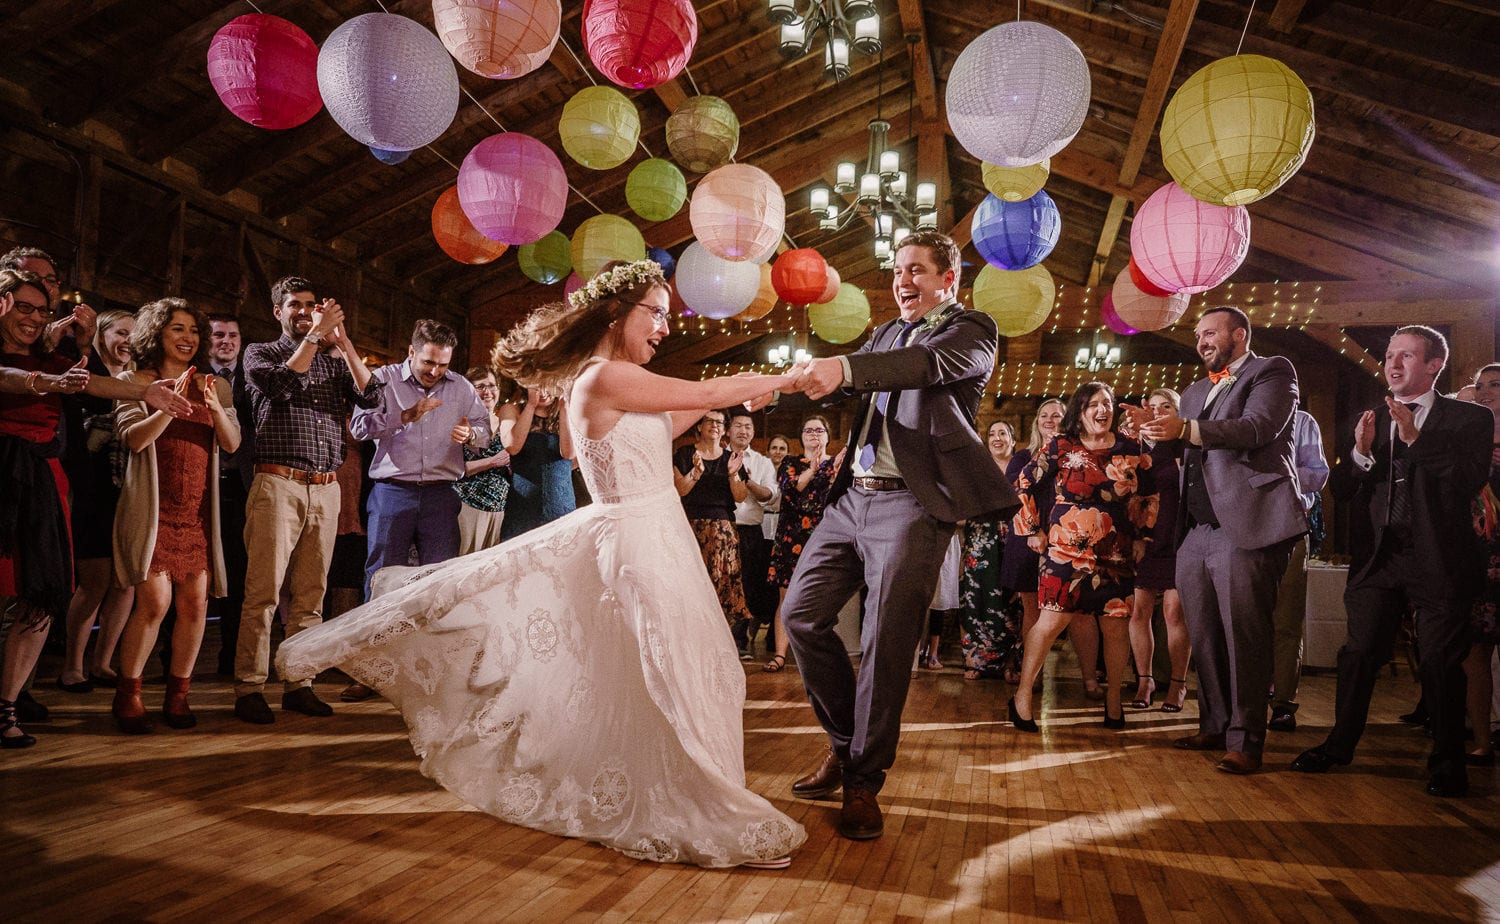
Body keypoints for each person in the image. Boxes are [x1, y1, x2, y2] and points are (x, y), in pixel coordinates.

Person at [275, 259, 806, 868]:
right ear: (615, 312)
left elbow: (678, 416)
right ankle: (698, 801)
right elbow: (708, 393)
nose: (664, 327)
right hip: (636, 545)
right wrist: (784, 379)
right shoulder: (604, 376)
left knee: (684, 669)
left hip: (660, 539)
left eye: (666, 315)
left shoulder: (627, 382)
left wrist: (753, 393)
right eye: (655, 313)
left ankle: (690, 786)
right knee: (673, 670)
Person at [779, 230, 1019, 841]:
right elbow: (863, 385)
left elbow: (924, 367)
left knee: (886, 646)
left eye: (916, 270)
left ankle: (862, 782)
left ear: (949, 281)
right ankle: (847, 744)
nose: (902, 280)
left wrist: (845, 366)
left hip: (912, 507)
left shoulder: (972, 331)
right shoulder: (885, 332)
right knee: (801, 616)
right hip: (850, 500)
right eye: (896, 271)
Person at [1293, 327, 1491, 797]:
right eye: (1389, 355)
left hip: (1439, 558)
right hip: (1380, 560)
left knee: (1441, 660)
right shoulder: (1372, 419)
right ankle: (1339, 745)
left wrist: (1414, 436)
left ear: (1433, 366)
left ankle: (1447, 763)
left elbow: (1467, 479)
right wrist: (1360, 451)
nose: (1393, 364)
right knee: (1358, 653)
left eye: (1407, 356)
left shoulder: (1470, 419)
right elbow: (1340, 491)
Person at [0, 269, 191, 748]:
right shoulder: (39, 365)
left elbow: (91, 386)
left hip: (43, 481)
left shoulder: (57, 355)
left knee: (41, 595)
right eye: (24, 307)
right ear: (1, 302)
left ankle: (7, 706)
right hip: (2, 471)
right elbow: (12, 378)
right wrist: (51, 381)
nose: (33, 318)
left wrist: (146, 392)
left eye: (41, 310)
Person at [1137, 305, 1307, 776]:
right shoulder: (1193, 390)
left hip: (1248, 524)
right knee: (1206, 637)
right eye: (1198, 335)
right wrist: (1152, 434)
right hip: (1196, 532)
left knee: (1245, 637)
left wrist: (1186, 429)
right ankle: (1213, 724)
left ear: (1239, 334)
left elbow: (1257, 429)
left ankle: (1247, 742)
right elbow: (1180, 449)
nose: (1202, 341)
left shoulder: (1271, 371)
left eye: (1210, 332)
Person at [234, 275, 381, 725]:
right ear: (278, 312)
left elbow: (371, 395)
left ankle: (300, 682)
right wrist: (317, 337)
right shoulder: (260, 353)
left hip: (326, 486)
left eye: (311, 304)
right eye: (295, 305)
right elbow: (280, 388)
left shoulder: (333, 360)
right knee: (262, 593)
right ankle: (250, 686)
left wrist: (345, 341)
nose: (304, 311)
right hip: (277, 482)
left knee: (311, 595)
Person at [110, 299, 241, 733]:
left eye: (193, 331)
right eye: (177, 330)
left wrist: (215, 407)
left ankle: (177, 695)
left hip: (197, 512)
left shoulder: (214, 384)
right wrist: (168, 407)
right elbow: (132, 439)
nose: (187, 338)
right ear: (157, 335)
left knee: (195, 604)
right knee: (154, 602)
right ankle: (128, 694)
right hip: (153, 510)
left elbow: (233, 443)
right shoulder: (135, 381)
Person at [1008, 382, 1156, 732]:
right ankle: (1023, 695)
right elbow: (1023, 483)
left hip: (1116, 553)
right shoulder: (1061, 445)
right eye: (1092, 404)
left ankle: (1114, 702)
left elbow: (1150, 494)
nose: (1101, 410)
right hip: (1064, 551)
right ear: (1080, 411)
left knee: (1116, 628)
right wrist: (1032, 529)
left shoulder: (1131, 447)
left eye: (1107, 403)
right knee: (1049, 624)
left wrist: (1143, 536)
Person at [351, 319, 489, 597]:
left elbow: (485, 432)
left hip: (441, 496)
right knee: (382, 577)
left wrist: (470, 434)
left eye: (443, 365)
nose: (435, 371)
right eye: (428, 363)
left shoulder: (462, 387)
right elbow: (358, 427)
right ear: (411, 353)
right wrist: (403, 417)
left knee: (440, 581)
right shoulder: (383, 379)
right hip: (392, 493)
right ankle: (375, 639)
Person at [57, 308, 136, 691]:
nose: (127, 341)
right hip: (94, 486)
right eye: (120, 332)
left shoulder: (139, 377)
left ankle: (103, 662)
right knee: (95, 579)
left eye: (133, 335)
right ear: (102, 335)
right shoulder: (88, 374)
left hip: (131, 488)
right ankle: (72, 665)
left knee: (126, 582)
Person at [1004, 398, 1102, 698]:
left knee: (1081, 611)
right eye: (1043, 415)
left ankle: (1089, 679)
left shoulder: (1077, 454)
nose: (1049, 420)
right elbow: (1014, 495)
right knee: (1034, 611)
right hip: (1030, 540)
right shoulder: (1022, 457)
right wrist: (1034, 530)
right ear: (1036, 422)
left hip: (1072, 541)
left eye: (1056, 415)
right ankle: (1031, 678)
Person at [762, 414, 843, 673]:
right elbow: (790, 488)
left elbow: (839, 495)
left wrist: (833, 470)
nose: (814, 434)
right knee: (786, 596)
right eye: (808, 430)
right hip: (791, 537)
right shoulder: (791, 462)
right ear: (801, 436)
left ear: (828, 436)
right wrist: (813, 468)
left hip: (824, 536)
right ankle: (779, 654)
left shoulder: (836, 464)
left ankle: (815, 656)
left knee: (820, 597)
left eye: (819, 430)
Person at [1126, 388, 1189, 712]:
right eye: (1154, 407)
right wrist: (1135, 536)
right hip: (1146, 538)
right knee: (1139, 612)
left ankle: (1177, 684)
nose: (1160, 412)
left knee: (1173, 613)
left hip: (1179, 537)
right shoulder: (1137, 444)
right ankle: (1144, 680)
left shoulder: (1186, 445)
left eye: (1167, 406)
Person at [1267, 407, 1330, 731]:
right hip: (1239, 529)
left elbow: (1318, 475)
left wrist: (1274, 474)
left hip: (1291, 525)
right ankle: (1242, 700)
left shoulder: (1303, 421)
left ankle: (1283, 703)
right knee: (1243, 620)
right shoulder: (1234, 421)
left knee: (1287, 620)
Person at [673, 409, 754, 653]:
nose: (716, 426)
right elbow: (681, 490)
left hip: (722, 529)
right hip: (691, 525)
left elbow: (740, 497)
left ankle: (717, 643)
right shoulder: (685, 453)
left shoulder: (732, 457)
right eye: (710, 421)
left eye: (720, 422)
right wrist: (696, 473)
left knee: (722, 583)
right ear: (699, 426)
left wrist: (732, 475)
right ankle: (691, 641)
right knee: (693, 584)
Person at [206, 313, 252, 676]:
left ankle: (230, 658)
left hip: (242, 485)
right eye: (218, 334)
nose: (226, 340)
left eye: (232, 335)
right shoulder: (195, 376)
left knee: (240, 575)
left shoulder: (250, 378)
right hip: (202, 483)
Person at [960, 420, 1022, 681]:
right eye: (992, 434)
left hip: (1013, 539)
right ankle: (976, 661)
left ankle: (1010, 661)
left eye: (1003, 433)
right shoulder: (976, 469)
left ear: (1013, 440)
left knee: (1010, 600)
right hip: (979, 540)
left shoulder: (1022, 468)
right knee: (975, 598)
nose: (997, 438)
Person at [1464, 363, 1500, 767]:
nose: (1487, 391)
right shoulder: (1468, 442)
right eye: (1481, 385)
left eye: (1495, 384)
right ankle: (1480, 740)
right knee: (1474, 652)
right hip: (1474, 556)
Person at [726, 410, 779, 656]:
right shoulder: (716, 456)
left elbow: (771, 497)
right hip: (721, 526)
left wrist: (747, 481)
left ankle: (738, 640)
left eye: (748, 427)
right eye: (738, 425)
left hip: (750, 532)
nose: (743, 430)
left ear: (753, 432)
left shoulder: (762, 462)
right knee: (719, 584)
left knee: (747, 587)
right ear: (728, 430)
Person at [497, 382, 575, 540]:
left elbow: (569, 454)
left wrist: (564, 408)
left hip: (560, 502)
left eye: (549, 383)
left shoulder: (568, 410)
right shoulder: (511, 409)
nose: (544, 391)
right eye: (538, 385)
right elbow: (512, 447)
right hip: (523, 506)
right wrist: (531, 405)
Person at [454, 366, 512, 555]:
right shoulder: (459, 423)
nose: (487, 392)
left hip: (499, 510)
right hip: (466, 507)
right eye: (480, 386)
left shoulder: (507, 423)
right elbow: (451, 469)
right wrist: (492, 461)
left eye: (492, 386)